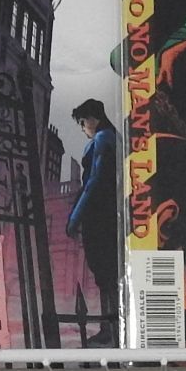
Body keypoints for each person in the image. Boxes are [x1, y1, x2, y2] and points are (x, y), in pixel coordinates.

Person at [66, 98, 119, 342]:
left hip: (98, 216)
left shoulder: (102, 139)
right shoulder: (114, 139)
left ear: (93, 119)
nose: (82, 128)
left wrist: (74, 218)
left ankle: (111, 329)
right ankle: (112, 327)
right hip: (108, 214)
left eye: (82, 122)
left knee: (105, 275)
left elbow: (93, 182)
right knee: (108, 276)